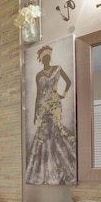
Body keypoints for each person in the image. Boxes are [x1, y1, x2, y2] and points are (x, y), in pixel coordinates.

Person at [25, 45, 77, 185]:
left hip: (55, 104)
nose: (47, 59)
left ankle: (61, 166)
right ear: (42, 60)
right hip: (43, 106)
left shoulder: (57, 68)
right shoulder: (39, 75)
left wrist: (63, 95)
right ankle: (46, 169)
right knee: (43, 134)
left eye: (48, 57)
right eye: (44, 58)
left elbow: (69, 82)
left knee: (56, 130)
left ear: (50, 57)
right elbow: (38, 94)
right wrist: (35, 113)